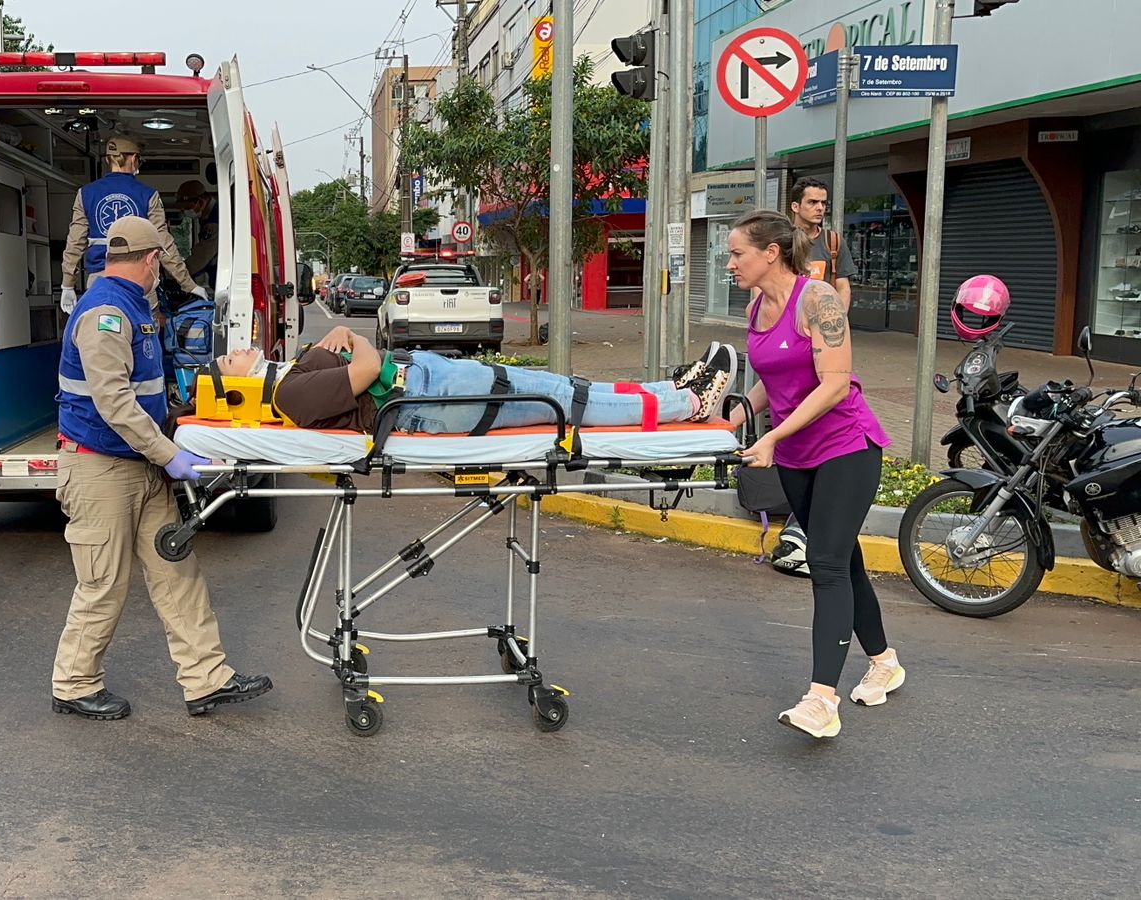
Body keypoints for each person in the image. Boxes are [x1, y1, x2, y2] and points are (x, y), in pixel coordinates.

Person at [51, 215, 272, 720]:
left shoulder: (133, 307)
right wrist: (172, 455)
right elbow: (114, 402)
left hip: (141, 467)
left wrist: (183, 422)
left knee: (178, 573)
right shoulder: (105, 313)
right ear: (152, 260)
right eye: (159, 266)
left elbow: (146, 397)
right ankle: (74, 683)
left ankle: (206, 679)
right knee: (104, 583)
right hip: (99, 468)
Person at [721, 208, 900, 740]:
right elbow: (770, 381)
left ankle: (822, 699)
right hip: (797, 455)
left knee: (824, 563)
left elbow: (835, 385)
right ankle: (885, 660)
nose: (729, 264)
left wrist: (771, 436)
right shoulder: (757, 305)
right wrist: (731, 421)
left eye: (736, 254)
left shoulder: (817, 301)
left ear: (770, 253)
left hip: (846, 447)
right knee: (846, 563)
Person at [212, 328, 736, 433]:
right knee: (559, 399)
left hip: (429, 383)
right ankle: (689, 405)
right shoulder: (287, 393)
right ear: (238, 385)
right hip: (429, 399)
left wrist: (343, 333)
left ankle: (675, 391)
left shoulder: (291, 374)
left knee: (562, 386)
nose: (234, 351)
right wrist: (357, 334)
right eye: (227, 361)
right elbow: (368, 368)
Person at [60, 137, 206, 311]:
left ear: (108, 160)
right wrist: (188, 284)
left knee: (104, 333)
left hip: (99, 281)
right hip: (139, 281)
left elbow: (75, 243)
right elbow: (164, 245)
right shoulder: (148, 195)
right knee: (143, 335)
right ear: (134, 159)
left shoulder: (85, 194)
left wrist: (68, 284)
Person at [789, 176, 856, 310]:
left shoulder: (833, 242)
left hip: (822, 321)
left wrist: (838, 322)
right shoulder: (780, 239)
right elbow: (763, 283)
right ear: (796, 207)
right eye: (812, 202)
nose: (820, 208)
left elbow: (843, 288)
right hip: (788, 320)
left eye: (823, 203)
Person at [174, 179, 219, 287]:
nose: (185, 212)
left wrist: (175, 273)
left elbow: (200, 258)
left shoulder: (214, 223)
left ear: (201, 202)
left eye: (188, 207)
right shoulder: (207, 217)